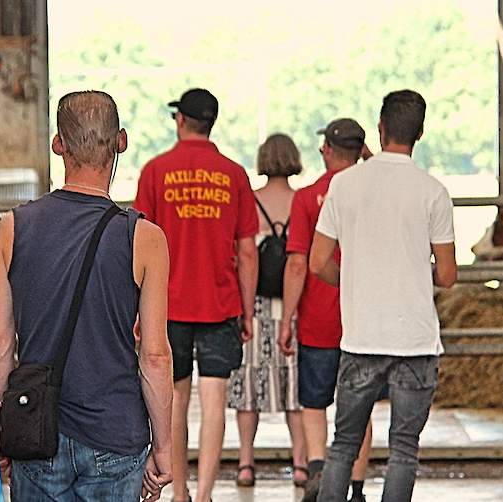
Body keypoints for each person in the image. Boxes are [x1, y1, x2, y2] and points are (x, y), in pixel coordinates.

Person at [0, 91, 173, 501]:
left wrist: (4, 427)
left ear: (58, 144)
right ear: (121, 142)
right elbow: (155, 355)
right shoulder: (145, 238)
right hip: (116, 435)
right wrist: (163, 447)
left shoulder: (13, 228)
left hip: (37, 433)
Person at [310, 91, 457, 501]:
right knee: (404, 450)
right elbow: (446, 275)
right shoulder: (433, 191)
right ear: (421, 133)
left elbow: (318, 262)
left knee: (343, 446)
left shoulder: (344, 185)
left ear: (379, 127)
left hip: (361, 338)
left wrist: (357, 278)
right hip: (415, 340)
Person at [133, 88, 259, 502]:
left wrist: (136, 306)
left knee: (175, 401)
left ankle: (181, 492)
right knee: (215, 400)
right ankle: (206, 494)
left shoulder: (156, 172)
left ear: (180, 120)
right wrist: (247, 309)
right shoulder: (234, 174)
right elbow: (246, 250)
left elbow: (139, 242)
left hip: (167, 306)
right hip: (221, 303)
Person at [278, 119, 376, 502]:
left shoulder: (307, 198)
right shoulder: (374, 193)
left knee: (314, 402)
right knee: (360, 406)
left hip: (318, 319)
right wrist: (368, 158)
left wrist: (287, 318)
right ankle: (355, 486)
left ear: (327, 151)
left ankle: (318, 470)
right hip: (364, 319)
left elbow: (299, 263)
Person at [226, 133, 308, 488]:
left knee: (248, 385)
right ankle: (301, 463)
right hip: (293, 305)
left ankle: (246, 462)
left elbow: (239, 253)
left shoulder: (250, 201)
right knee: (296, 389)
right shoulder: (302, 201)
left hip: (253, 305)